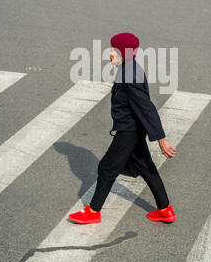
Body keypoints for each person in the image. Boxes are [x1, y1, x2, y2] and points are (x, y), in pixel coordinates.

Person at [69, 32, 177, 225]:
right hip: (132, 129)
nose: (109, 52)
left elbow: (147, 108)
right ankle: (165, 210)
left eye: (112, 49)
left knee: (107, 168)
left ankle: (93, 211)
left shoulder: (130, 77)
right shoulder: (129, 68)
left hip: (130, 131)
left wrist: (161, 139)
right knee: (146, 167)